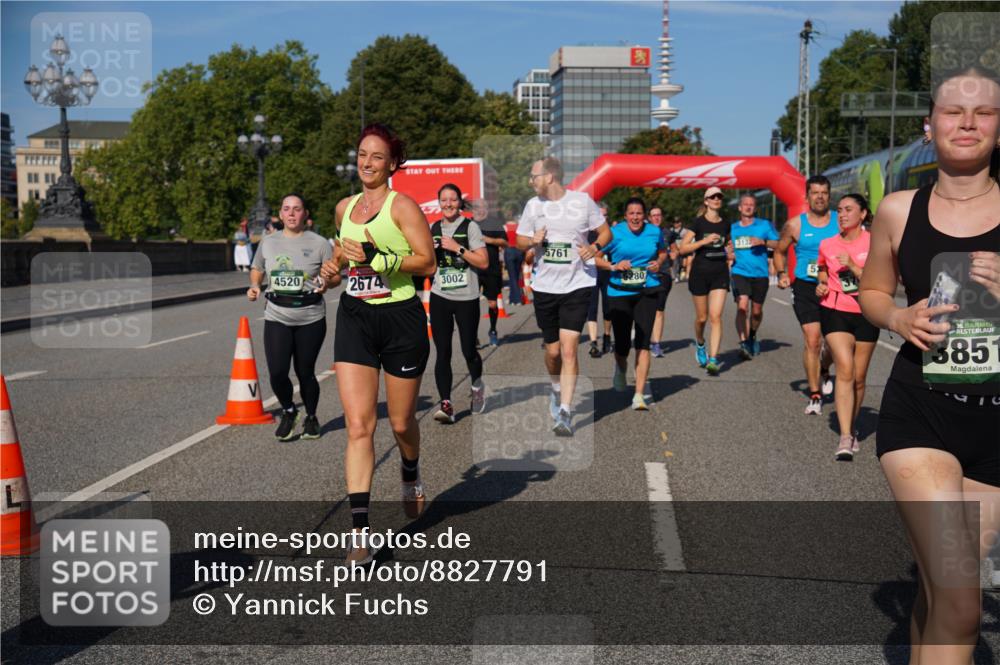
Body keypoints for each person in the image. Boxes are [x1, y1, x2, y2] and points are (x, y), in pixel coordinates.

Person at [859, 62, 1000, 662]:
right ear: (930, 125)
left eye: (984, 112)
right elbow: (871, 292)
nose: (967, 122)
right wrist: (898, 318)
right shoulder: (897, 209)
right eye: (953, 111)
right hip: (921, 412)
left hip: (995, 425)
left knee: (942, 593)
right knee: (964, 601)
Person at [318, 123, 436, 564]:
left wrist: (378, 258)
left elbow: (427, 261)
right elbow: (341, 259)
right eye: (362, 155)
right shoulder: (344, 207)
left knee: (402, 423)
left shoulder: (401, 206)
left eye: (376, 157)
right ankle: (360, 532)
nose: (366, 163)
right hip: (355, 318)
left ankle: (410, 469)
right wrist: (331, 273)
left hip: (401, 317)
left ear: (391, 164)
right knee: (358, 425)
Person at [517, 157, 610, 435]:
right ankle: (556, 387)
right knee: (553, 351)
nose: (531, 181)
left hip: (578, 284)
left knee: (569, 349)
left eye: (534, 175)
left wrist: (593, 247)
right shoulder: (533, 206)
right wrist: (533, 240)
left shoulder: (582, 202)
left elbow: (605, 232)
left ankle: (566, 412)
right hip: (546, 287)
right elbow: (520, 240)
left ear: (550, 177)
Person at [247, 194, 334, 441]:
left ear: (305, 214)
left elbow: (335, 276)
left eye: (297, 209)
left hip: (310, 316)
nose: (292, 213)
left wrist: (326, 283)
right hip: (277, 313)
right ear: (281, 214)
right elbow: (257, 268)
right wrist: (255, 285)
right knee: (277, 371)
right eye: (287, 209)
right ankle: (289, 410)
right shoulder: (269, 242)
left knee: (305, 371)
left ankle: (312, 418)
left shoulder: (319, 243)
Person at [816, 193, 877, 460]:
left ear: (863, 214)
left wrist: (853, 266)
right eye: (839, 210)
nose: (842, 214)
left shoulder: (874, 242)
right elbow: (820, 269)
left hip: (866, 312)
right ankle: (844, 436)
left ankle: (851, 428)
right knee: (846, 368)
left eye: (848, 210)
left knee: (860, 377)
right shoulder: (827, 244)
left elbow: (882, 279)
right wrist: (820, 283)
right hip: (835, 309)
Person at [774, 175, 838, 414]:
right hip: (805, 287)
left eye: (824, 193)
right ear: (807, 196)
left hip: (834, 286)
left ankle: (824, 368)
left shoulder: (840, 223)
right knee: (812, 340)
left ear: (829, 196)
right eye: (815, 192)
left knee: (832, 343)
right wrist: (781, 273)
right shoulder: (795, 225)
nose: (819, 197)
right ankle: (814, 394)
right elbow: (780, 251)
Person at [595, 197, 667, 410]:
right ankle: (620, 367)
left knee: (643, 343)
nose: (635, 217)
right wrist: (614, 266)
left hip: (647, 290)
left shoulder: (654, 231)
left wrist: (658, 262)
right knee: (623, 344)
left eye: (639, 213)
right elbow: (595, 258)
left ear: (644, 215)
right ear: (625, 215)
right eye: (631, 213)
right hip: (619, 292)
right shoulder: (615, 233)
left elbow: (663, 251)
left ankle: (638, 395)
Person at [429, 184, 489, 423]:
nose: (448, 204)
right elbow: (430, 267)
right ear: (439, 203)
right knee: (442, 351)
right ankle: (446, 404)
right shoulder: (434, 228)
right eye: (444, 200)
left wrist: (457, 247)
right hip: (440, 295)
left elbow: (483, 262)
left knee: (468, 350)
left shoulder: (470, 226)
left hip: (466, 297)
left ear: (459, 202)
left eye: (453, 200)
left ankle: (477, 388)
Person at [679, 186, 731, 375]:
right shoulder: (698, 223)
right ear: (706, 201)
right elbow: (683, 249)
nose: (717, 199)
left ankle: (713, 358)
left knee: (715, 317)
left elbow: (727, 244)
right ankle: (700, 343)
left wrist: (730, 252)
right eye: (713, 197)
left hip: (720, 274)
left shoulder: (726, 224)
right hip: (700, 273)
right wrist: (703, 242)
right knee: (702, 318)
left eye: (719, 197)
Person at [729, 194, 779, 359]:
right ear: (740, 207)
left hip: (760, 274)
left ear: (755, 208)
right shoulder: (733, 228)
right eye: (745, 204)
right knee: (742, 306)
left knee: (756, 312)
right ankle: (743, 342)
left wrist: (764, 242)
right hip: (739, 272)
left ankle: (752, 335)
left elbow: (779, 244)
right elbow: (726, 247)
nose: (748, 207)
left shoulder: (764, 225)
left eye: (751, 205)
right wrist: (728, 253)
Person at [472, 198, 508, 346]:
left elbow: (504, 242)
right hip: (473, 268)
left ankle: (492, 330)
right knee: (471, 304)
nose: (480, 210)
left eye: (483, 207)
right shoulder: (468, 224)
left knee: (493, 304)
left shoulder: (494, 223)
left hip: (491, 268)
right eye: (477, 207)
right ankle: (473, 335)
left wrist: (488, 240)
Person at [649, 206, 680, 358]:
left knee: (659, 309)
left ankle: (656, 343)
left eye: (659, 215)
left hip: (663, 274)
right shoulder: (644, 232)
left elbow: (675, 249)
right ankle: (645, 337)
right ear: (649, 217)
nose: (656, 217)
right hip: (644, 274)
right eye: (653, 215)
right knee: (645, 308)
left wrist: (674, 254)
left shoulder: (668, 233)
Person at [586, 203, 614, 358]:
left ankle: (607, 336)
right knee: (592, 308)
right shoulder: (588, 234)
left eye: (605, 216)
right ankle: (593, 342)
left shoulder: (610, 234)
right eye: (600, 215)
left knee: (608, 307)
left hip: (607, 274)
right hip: (591, 274)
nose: (602, 218)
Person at [503, 207, 525, 306]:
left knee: (512, 277)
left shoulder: (505, 227)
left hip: (509, 251)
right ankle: (512, 298)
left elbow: (503, 241)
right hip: (519, 251)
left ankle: (517, 299)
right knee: (516, 275)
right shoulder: (519, 226)